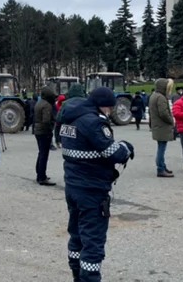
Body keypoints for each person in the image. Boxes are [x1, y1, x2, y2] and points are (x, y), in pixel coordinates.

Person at [59, 87, 134, 282]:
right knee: (93, 243)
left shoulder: (70, 118)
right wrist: (126, 147)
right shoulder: (93, 122)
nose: (109, 111)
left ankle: (77, 276)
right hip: (92, 190)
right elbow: (114, 153)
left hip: (73, 186)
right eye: (109, 107)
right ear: (103, 106)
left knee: (76, 237)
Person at [150, 78, 176, 178]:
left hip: (157, 126)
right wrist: (171, 120)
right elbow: (164, 113)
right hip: (162, 126)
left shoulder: (154, 95)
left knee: (161, 148)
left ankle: (163, 166)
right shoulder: (161, 97)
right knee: (161, 149)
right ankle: (160, 169)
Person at [34, 86, 56, 186]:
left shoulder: (39, 103)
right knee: (44, 154)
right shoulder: (47, 105)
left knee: (41, 153)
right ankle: (42, 177)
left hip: (38, 130)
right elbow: (46, 120)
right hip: (44, 131)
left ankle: (39, 173)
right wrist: (50, 130)